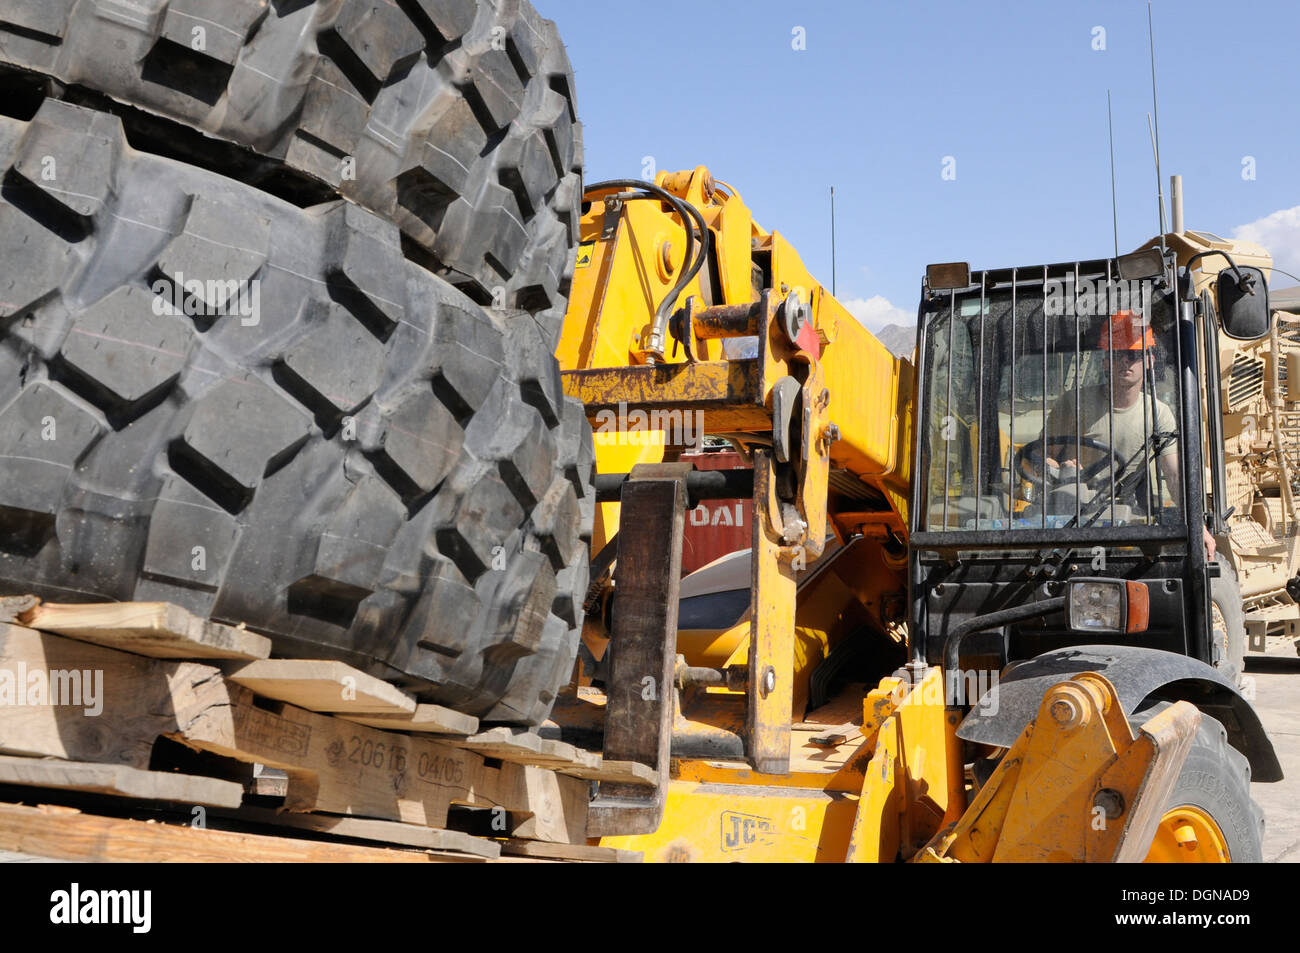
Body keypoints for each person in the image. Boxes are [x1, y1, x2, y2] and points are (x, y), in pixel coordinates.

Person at [1043, 309, 1216, 556]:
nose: (1125, 361)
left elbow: (1175, 474)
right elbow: (1039, 458)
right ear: (1105, 360)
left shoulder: (1158, 413)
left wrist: (1199, 527)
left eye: (1133, 354)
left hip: (1121, 522)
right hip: (1067, 518)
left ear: (1148, 361)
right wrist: (1062, 470)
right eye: (1117, 354)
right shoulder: (1074, 403)